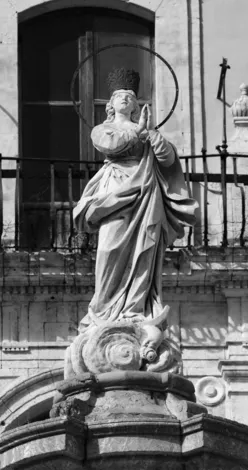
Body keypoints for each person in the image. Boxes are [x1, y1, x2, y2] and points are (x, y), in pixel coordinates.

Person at [74, 68, 197, 328]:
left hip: (145, 192)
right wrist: (137, 131)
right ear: (110, 105)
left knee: (145, 247)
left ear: (136, 104)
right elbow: (108, 146)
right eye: (120, 96)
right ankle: (104, 308)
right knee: (109, 248)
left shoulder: (148, 131)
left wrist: (153, 136)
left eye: (130, 97)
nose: (125, 100)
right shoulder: (102, 129)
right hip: (115, 189)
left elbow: (168, 160)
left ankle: (134, 308)